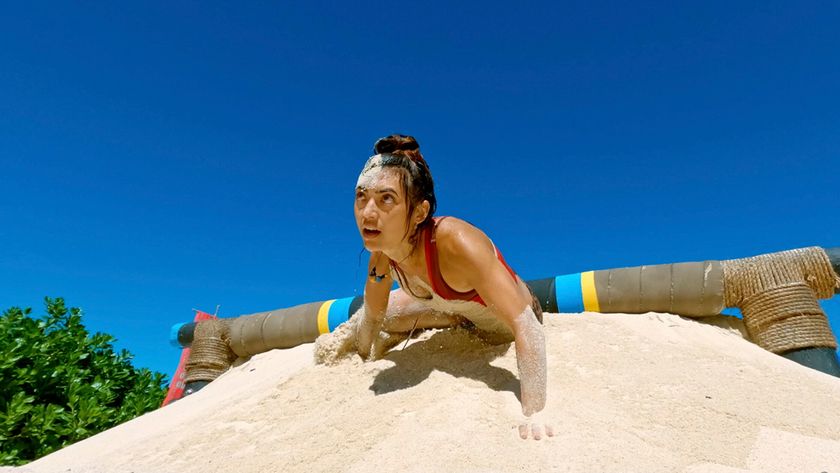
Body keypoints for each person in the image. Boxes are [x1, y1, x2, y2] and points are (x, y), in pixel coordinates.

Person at [352, 134, 553, 440]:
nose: (367, 212)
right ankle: (450, 316)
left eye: (386, 199)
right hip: (457, 312)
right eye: (361, 196)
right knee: (387, 317)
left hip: (506, 320)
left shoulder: (455, 243)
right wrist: (361, 356)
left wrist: (535, 412)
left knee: (504, 316)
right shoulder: (380, 259)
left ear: (420, 212)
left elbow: (526, 325)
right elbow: (373, 316)